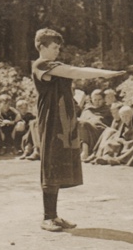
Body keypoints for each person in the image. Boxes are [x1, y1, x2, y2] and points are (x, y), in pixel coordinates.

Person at [32, 28, 123, 232]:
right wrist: (104, 73)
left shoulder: (55, 65)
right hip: (51, 121)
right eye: (54, 47)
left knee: (58, 165)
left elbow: (69, 75)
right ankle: (47, 217)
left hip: (63, 122)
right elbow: (73, 72)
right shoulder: (41, 64)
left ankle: (54, 215)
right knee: (50, 165)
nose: (57, 51)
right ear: (42, 47)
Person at [76, 89, 113, 161]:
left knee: (83, 123)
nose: (97, 102)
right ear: (91, 99)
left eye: (99, 99)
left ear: (103, 99)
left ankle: (85, 152)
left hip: (100, 132)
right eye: (95, 99)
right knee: (79, 122)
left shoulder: (107, 110)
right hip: (85, 130)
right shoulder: (87, 109)